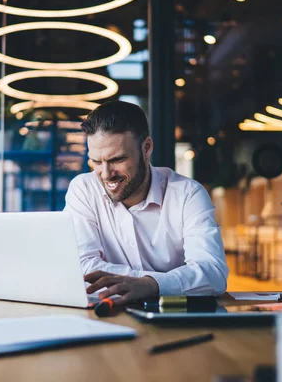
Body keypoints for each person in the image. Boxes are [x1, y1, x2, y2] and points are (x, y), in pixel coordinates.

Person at [63, 100, 229, 305]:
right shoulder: (84, 190)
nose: (106, 174)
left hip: (174, 318)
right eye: (96, 162)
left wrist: (151, 285)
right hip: (107, 313)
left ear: (147, 148)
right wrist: (156, 282)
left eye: (117, 159)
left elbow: (213, 273)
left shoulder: (188, 194)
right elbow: (81, 267)